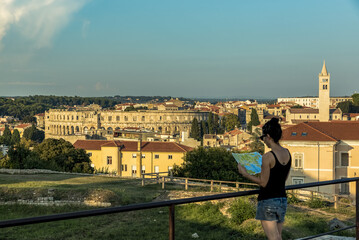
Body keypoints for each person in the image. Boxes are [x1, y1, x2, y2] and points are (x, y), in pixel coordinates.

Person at [237, 118, 291, 240]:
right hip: (282, 199)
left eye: (262, 138)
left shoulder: (267, 157)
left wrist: (245, 173)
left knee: (273, 238)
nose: (263, 141)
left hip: (268, 200)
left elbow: (263, 182)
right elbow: (284, 178)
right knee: (278, 236)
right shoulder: (287, 153)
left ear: (268, 137)